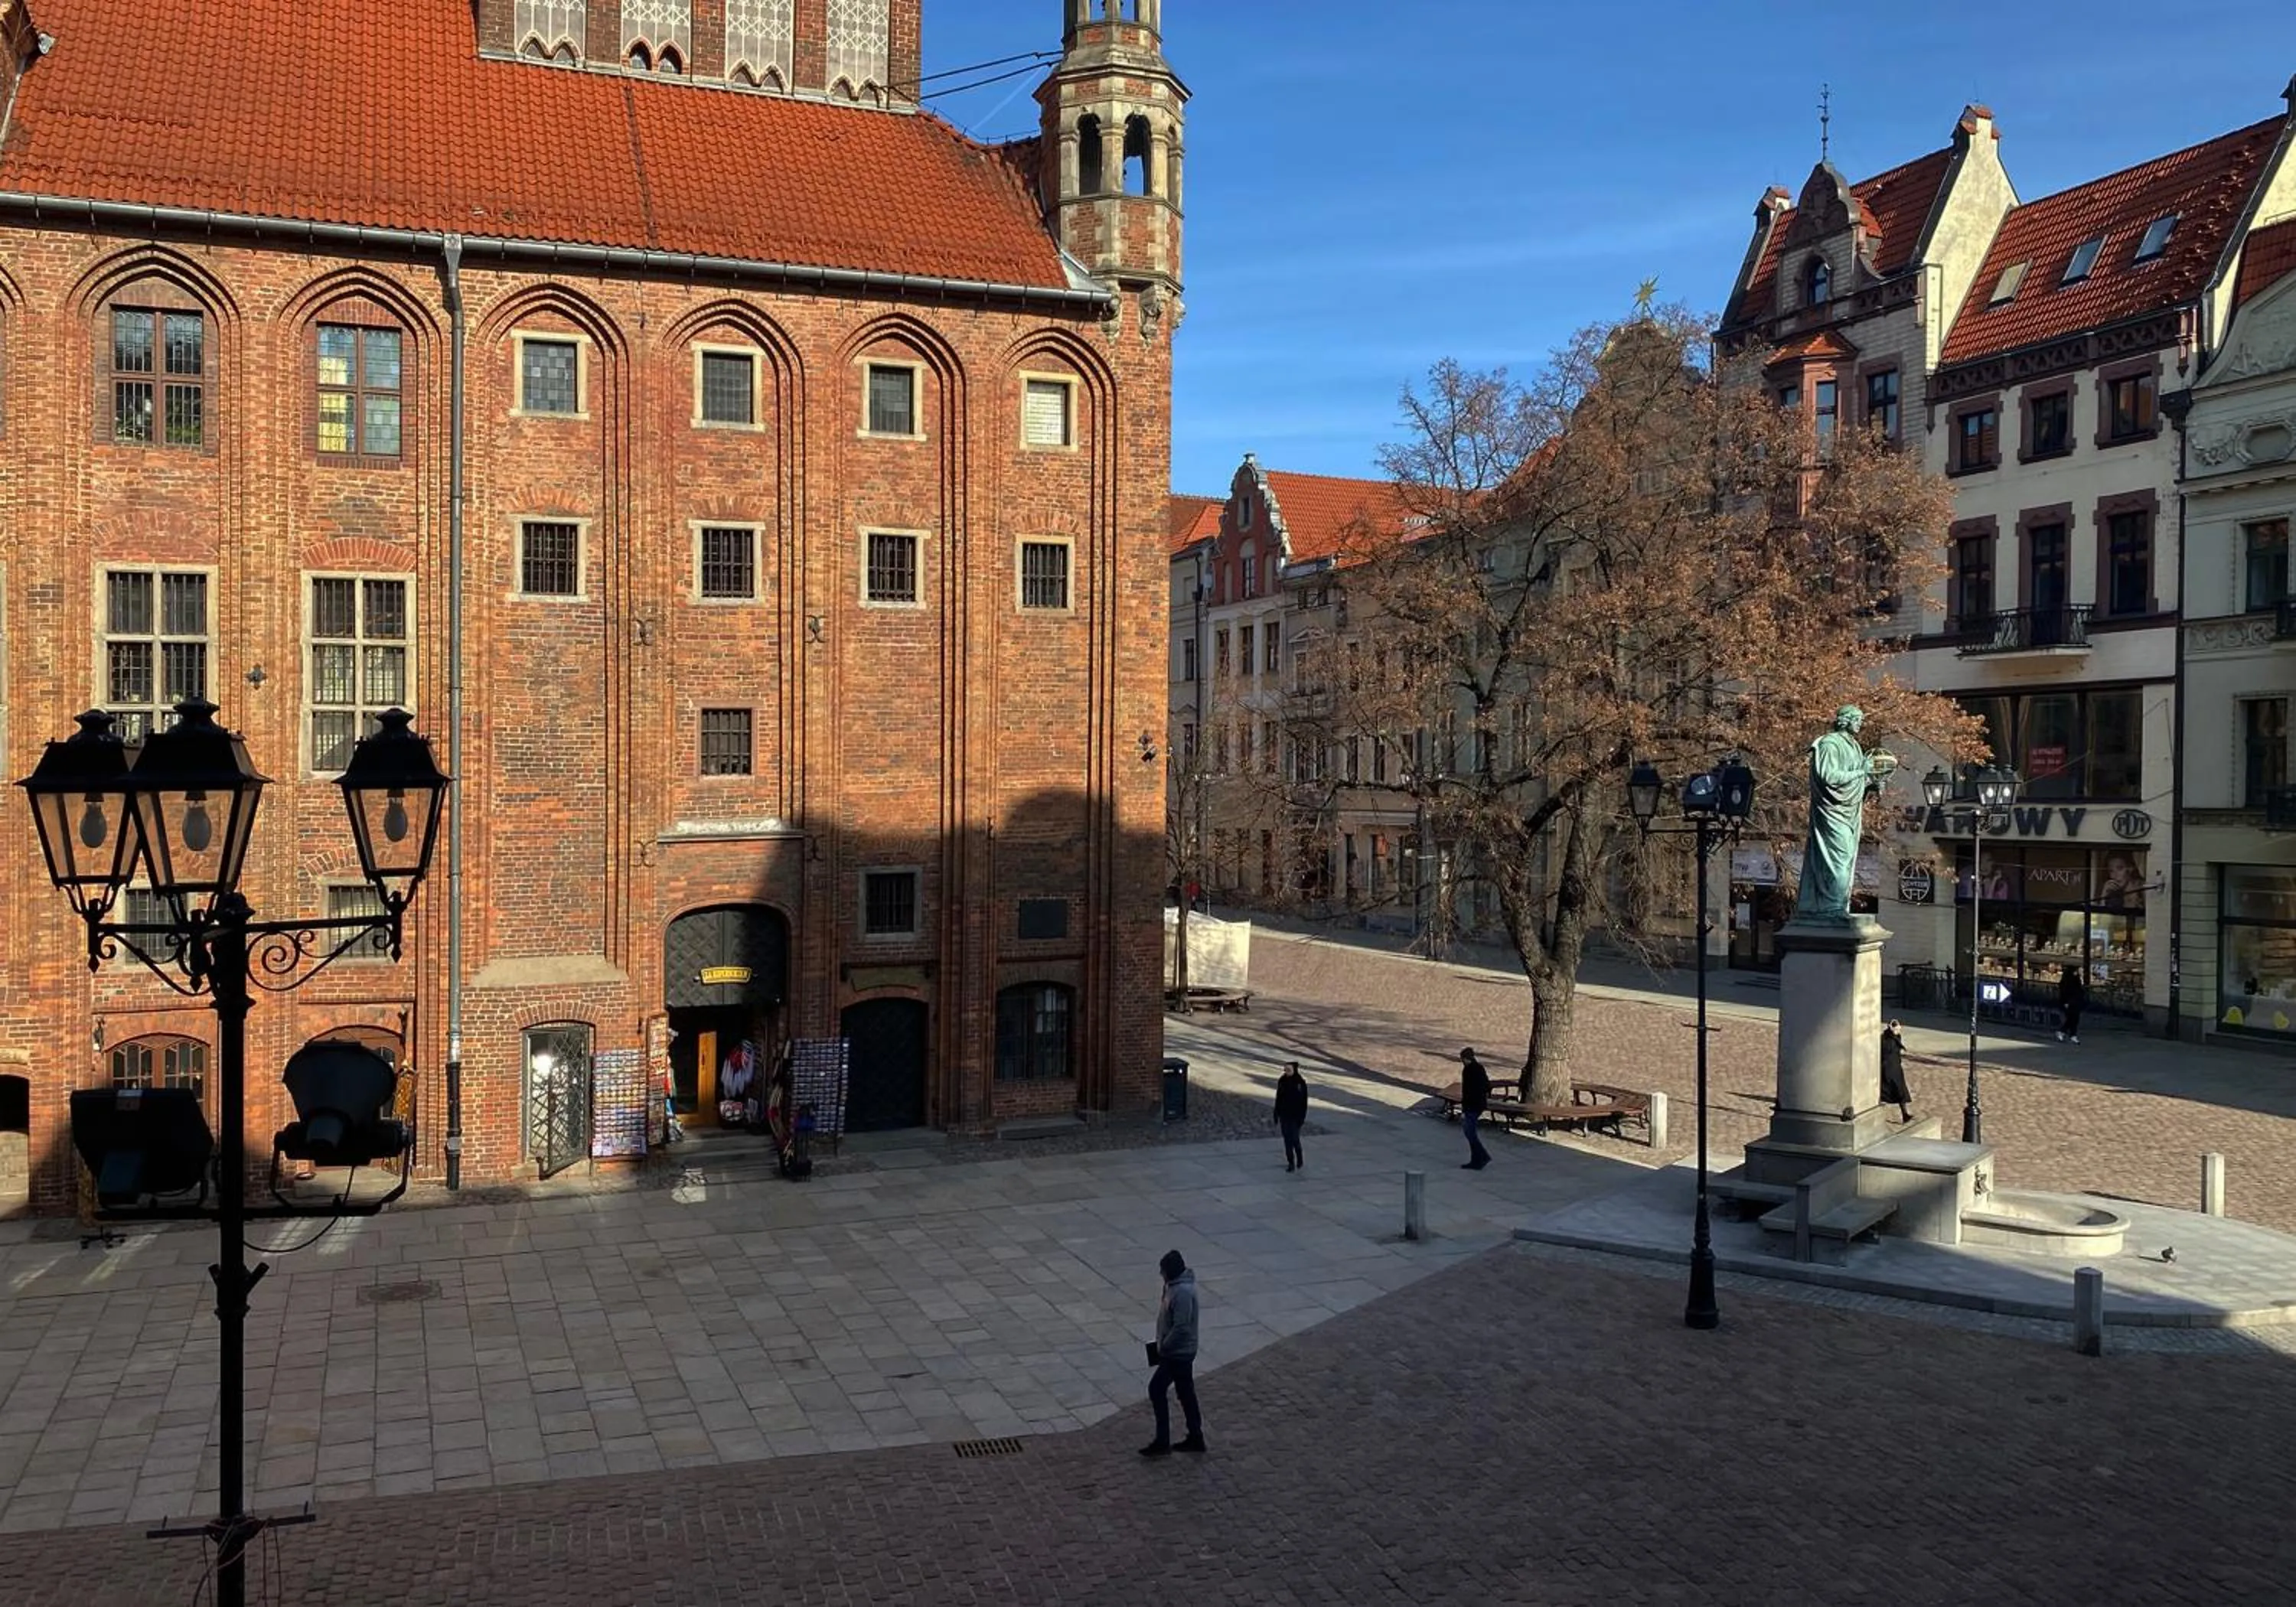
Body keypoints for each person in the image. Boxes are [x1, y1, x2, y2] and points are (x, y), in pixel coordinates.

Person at [1140, 1250, 1205, 1457]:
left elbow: (1181, 1327)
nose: (1161, 1274)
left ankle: (1163, 1441)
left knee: (1157, 1389)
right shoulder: (1173, 1287)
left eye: (1163, 1271)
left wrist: (1165, 1346)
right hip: (1177, 1351)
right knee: (1185, 1393)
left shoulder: (1182, 1293)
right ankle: (1195, 1436)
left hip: (1177, 1353)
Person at [1458, 1047, 1492, 1171]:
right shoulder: (1479, 1068)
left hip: (1472, 1106)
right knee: (1470, 1132)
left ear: (1465, 1059)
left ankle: (1482, 1156)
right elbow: (1487, 1086)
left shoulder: (1468, 1071)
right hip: (1479, 1104)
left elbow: (1467, 1092)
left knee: (1470, 1132)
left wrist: (1464, 1108)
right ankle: (1476, 1159)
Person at [1273, 1061, 1309, 1172]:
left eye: (1289, 1070)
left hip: (1295, 1116)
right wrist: (1276, 1113)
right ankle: (1291, 1162)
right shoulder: (1282, 1081)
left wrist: (1302, 1118)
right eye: (1285, 1070)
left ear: (1294, 1070)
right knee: (1287, 1140)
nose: (1286, 1072)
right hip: (1284, 1115)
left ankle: (1299, 1157)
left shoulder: (1300, 1083)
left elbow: (1304, 1102)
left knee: (1295, 1139)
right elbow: (1278, 1098)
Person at [1878, 1019, 1913, 1123]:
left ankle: (1905, 1114)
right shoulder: (1884, 1039)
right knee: (1885, 1091)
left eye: (1899, 1029)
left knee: (1900, 1091)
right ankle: (1876, 1114)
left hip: (1896, 1068)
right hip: (1887, 1068)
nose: (1899, 1031)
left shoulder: (1897, 1037)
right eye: (1896, 1029)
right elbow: (1884, 1052)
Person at [2057, 964, 2087, 1045]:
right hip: (2070, 1002)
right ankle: (2067, 1033)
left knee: (2074, 1018)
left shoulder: (2076, 979)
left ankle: (2070, 1034)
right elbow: (2065, 991)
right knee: (2072, 1018)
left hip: (2076, 1001)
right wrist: (2066, 1002)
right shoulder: (2069, 980)